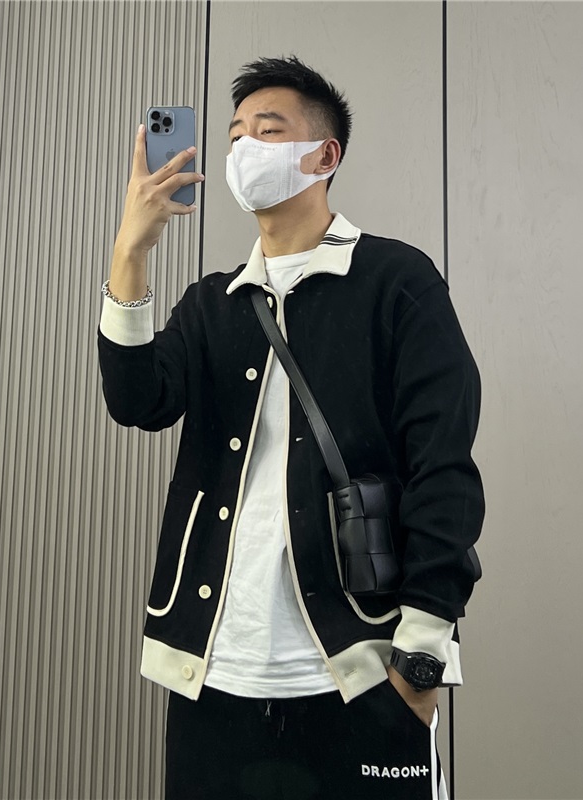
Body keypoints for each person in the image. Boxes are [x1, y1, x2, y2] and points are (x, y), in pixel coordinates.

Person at [97, 55, 485, 800]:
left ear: (323, 155)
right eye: (235, 134)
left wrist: (423, 655)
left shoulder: (396, 282)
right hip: (213, 670)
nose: (244, 146)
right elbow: (136, 400)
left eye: (267, 131)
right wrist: (130, 252)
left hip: (360, 669)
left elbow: (443, 465)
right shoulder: (212, 304)